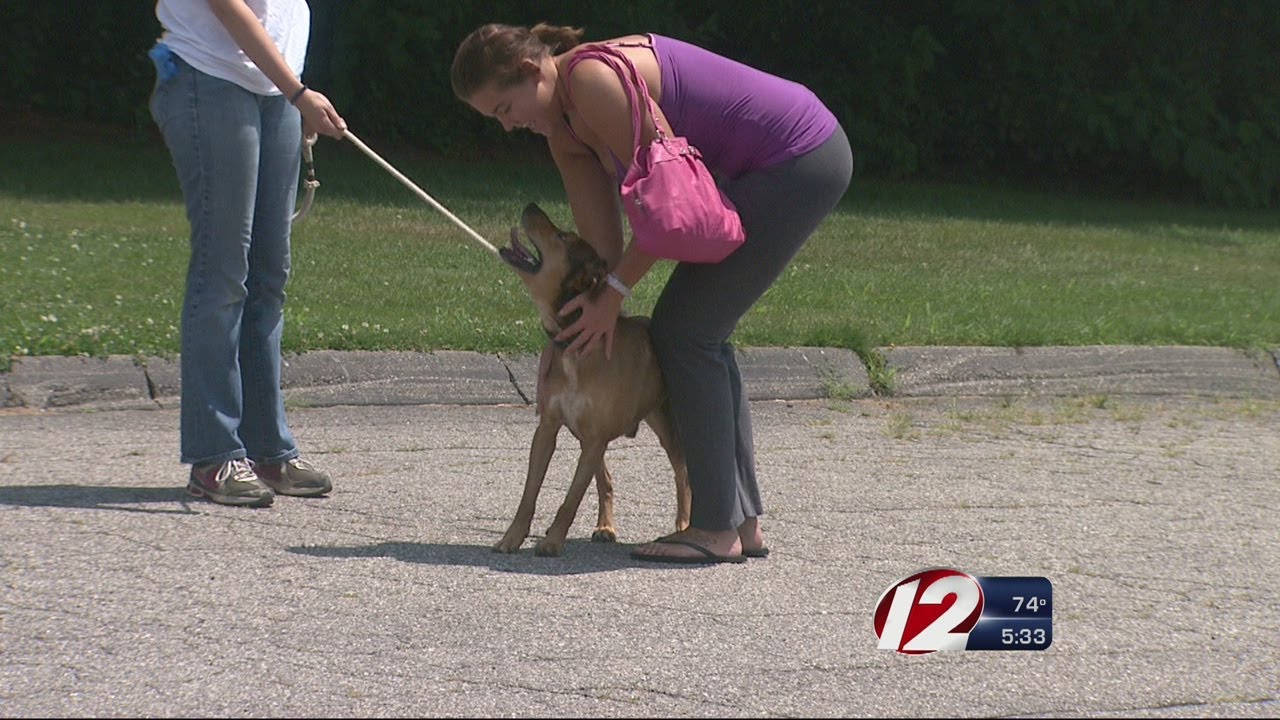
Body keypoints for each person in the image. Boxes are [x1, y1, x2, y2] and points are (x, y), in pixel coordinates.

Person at [451, 23, 853, 563]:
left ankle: (716, 528)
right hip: (760, 168)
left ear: (531, 71)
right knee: (697, 329)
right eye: (493, 118)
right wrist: (565, 337)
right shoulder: (563, 131)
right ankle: (740, 524)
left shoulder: (590, 80)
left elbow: (667, 209)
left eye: (504, 108)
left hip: (796, 155)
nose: (506, 126)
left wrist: (616, 294)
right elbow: (600, 253)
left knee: (688, 331)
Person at [148, 0, 347, 507]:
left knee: (268, 277)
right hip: (210, 77)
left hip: (276, 91)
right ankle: (213, 455)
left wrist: (291, 89)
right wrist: (298, 92)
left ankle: (268, 450)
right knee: (222, 274)